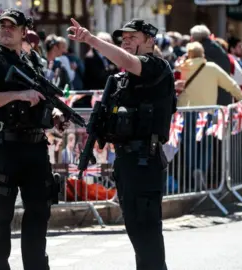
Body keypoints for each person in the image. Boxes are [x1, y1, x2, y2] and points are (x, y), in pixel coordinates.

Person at [68, 18, 176, 270]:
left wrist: (91, 40)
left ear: (149, 40)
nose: (126, 42)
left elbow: (128, 61)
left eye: (132, 37)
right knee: (136, 230)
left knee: (146, 233)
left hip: (145, 161)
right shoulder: (122, 79)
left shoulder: (156, 66)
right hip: (127, 161)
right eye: (123, 38)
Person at [0, 8, 68, 270]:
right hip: (3, 148)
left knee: (39, 212)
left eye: (12, 26)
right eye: (1, 25)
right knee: (0, 216)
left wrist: (56, 114)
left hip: (35, 148)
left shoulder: (33, 62)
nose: (5, 29)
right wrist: (17, 95)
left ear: (25, 31)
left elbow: (44, 100)